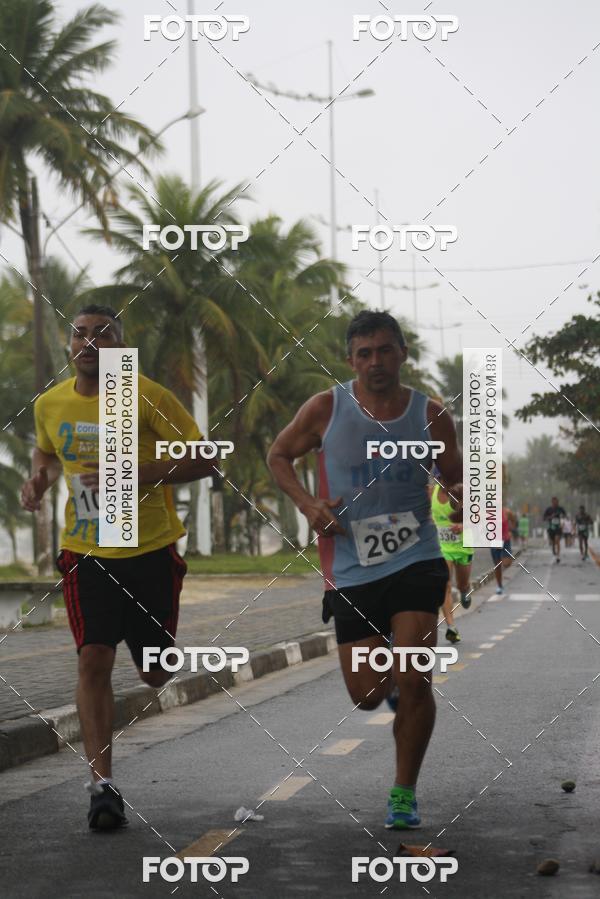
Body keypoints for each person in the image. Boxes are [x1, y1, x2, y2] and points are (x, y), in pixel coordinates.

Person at [267, 310, 462, 830]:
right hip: (351, 567)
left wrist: (460, 496)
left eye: (385, 350)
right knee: (367, 695)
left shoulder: (431, 414)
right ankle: (393, 688)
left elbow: (458, 477)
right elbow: (279, 456)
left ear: (403, 353)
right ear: (351, 360)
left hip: (416, 559)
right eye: (364, 353)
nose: (375, 361)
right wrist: (308, 505)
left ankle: (403, 792)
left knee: (416, 675)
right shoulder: (327, 408)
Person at [21, 306, 213, 831]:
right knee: (92, 661)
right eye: (79, 335)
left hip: (150, 550)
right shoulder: (50, 403)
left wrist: (135, 471)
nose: (89, 342)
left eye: (101, 334)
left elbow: (204, 458)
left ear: (120, 346)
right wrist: (38, 480)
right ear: (69, 348)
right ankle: (101, 786)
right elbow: (45, 455)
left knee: (154, 671)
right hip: (86, 552)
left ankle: (143, 635)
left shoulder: (146, 395)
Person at [430, 482, 473, 644]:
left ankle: (465, 590)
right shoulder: (431, 492)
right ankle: (451, 627)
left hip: (464, 546)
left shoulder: (464, 491)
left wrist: (463, 525)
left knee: (462, 584)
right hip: (442, 546)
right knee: (445, 585)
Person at [490, 506, 513, 594]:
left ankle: (504, 559)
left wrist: (511, 531)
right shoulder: (488, 513)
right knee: (497, 565)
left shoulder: (506, 511)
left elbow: (513, 521)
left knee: (507, 563)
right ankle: (499, 586)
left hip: (505, 539)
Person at [543, 497, 566, 562]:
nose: (555, 503)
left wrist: (562, 517)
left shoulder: (560, 509)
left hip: (558, 527)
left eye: (556, 502)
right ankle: (553, 548)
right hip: (551, 527)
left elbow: (565, 515)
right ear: (552, 502)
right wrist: (550, 517)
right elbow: (544, 518)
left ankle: (558, 556)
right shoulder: (549, 509)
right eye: (554, 502)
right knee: (553, 541)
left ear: (558, 502)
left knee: (557, 540)